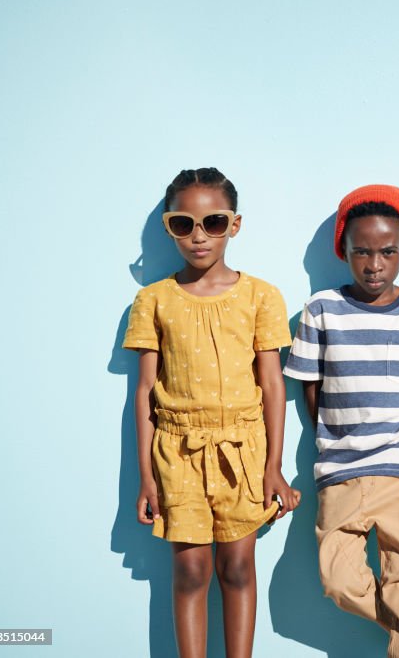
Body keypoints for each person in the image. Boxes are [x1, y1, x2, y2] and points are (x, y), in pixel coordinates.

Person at [123, 167, 301, 658]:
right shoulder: (153, 300)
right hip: (177, 453)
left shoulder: (261, 296)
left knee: (238, 568)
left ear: (234, 224)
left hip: (243, 452)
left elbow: (272, 385)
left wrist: (273, 467)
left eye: (213, 222)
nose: (199, 236)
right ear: (168, 227)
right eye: (184, 224)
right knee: (191, 571)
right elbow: (143, 394)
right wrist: (146, 478)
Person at [284, 184, 399, 658]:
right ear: (343, 249)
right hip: (342, 471)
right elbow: (308, 383)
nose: (374, 264)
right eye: (361, 251)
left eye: (388, 251)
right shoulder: (321, 310)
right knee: (338, 581)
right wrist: (333, 434)